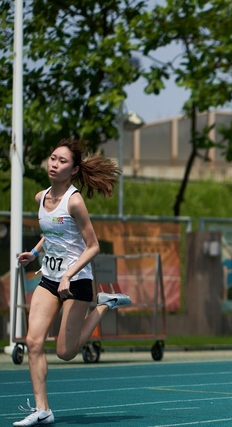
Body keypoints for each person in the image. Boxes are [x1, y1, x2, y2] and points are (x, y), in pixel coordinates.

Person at [13, 138, 132, 427]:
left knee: (66, 353)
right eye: (53, 158)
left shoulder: (75, 201)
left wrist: (68, 273)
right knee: (33, 342)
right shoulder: (40, 197)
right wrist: (35, 252)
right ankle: (43, 410)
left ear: (74, 169)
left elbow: (93, 246)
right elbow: (53, 232)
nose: (54, 164)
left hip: (76, 281)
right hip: (50, 278)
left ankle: (105, 305)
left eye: (62, 161)